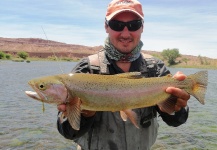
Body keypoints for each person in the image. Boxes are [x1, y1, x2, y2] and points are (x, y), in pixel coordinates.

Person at [57, 0, 190, 149]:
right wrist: (86, 114)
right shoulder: (86, 69)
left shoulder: (156, 69)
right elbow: (67, 132)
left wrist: (178, 108)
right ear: (106, 27)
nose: (125, 33)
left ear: (142, 27)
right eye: (117, 25)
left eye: (134, 25)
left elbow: (176, 121)